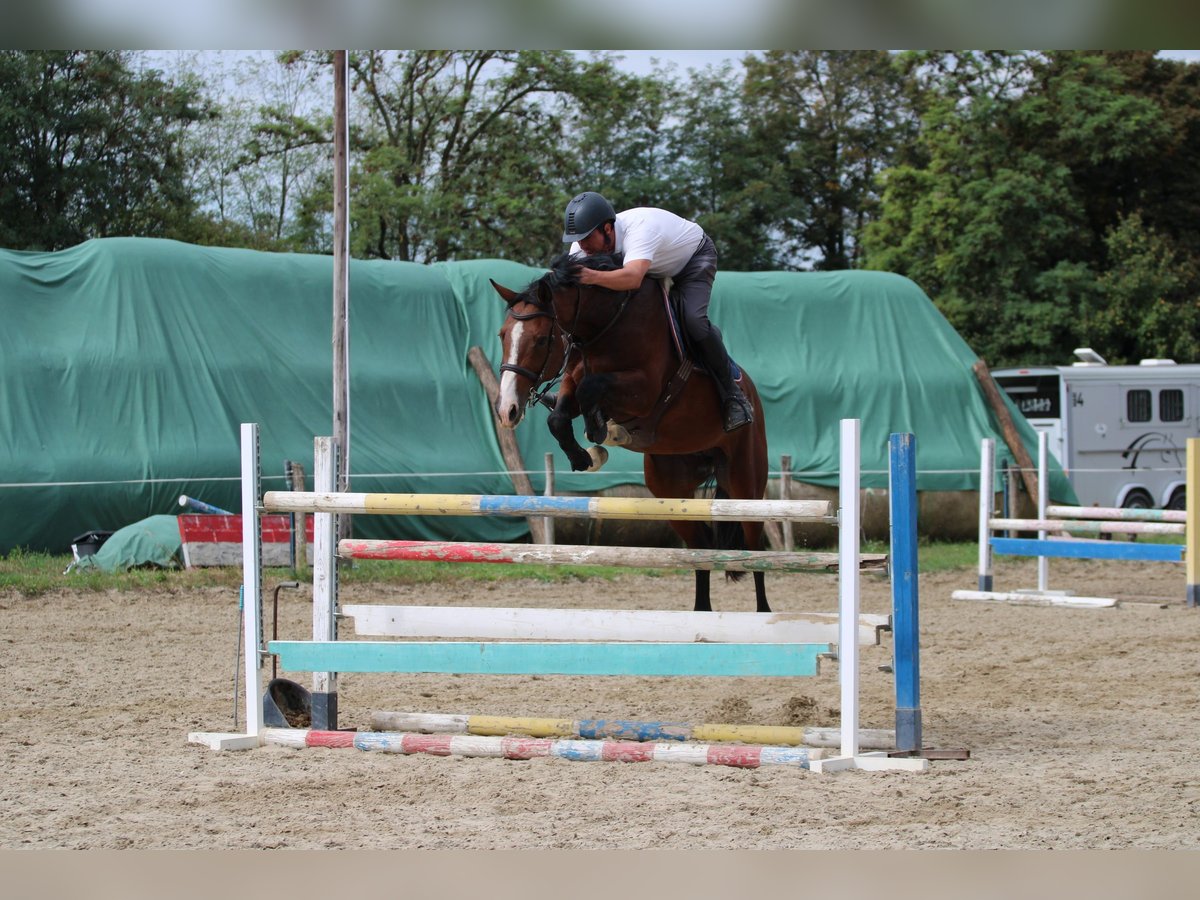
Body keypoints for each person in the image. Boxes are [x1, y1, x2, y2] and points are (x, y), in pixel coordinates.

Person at [561, 191, 753, 433]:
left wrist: (591, 275)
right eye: (578, 239)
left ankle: (733, 396)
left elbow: (632, 278)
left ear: (608, 229)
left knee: (693, 320)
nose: (583, 246)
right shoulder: (582, 246)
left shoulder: (641, 230)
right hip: (653, 264)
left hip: (692, 260)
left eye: (587, 238)